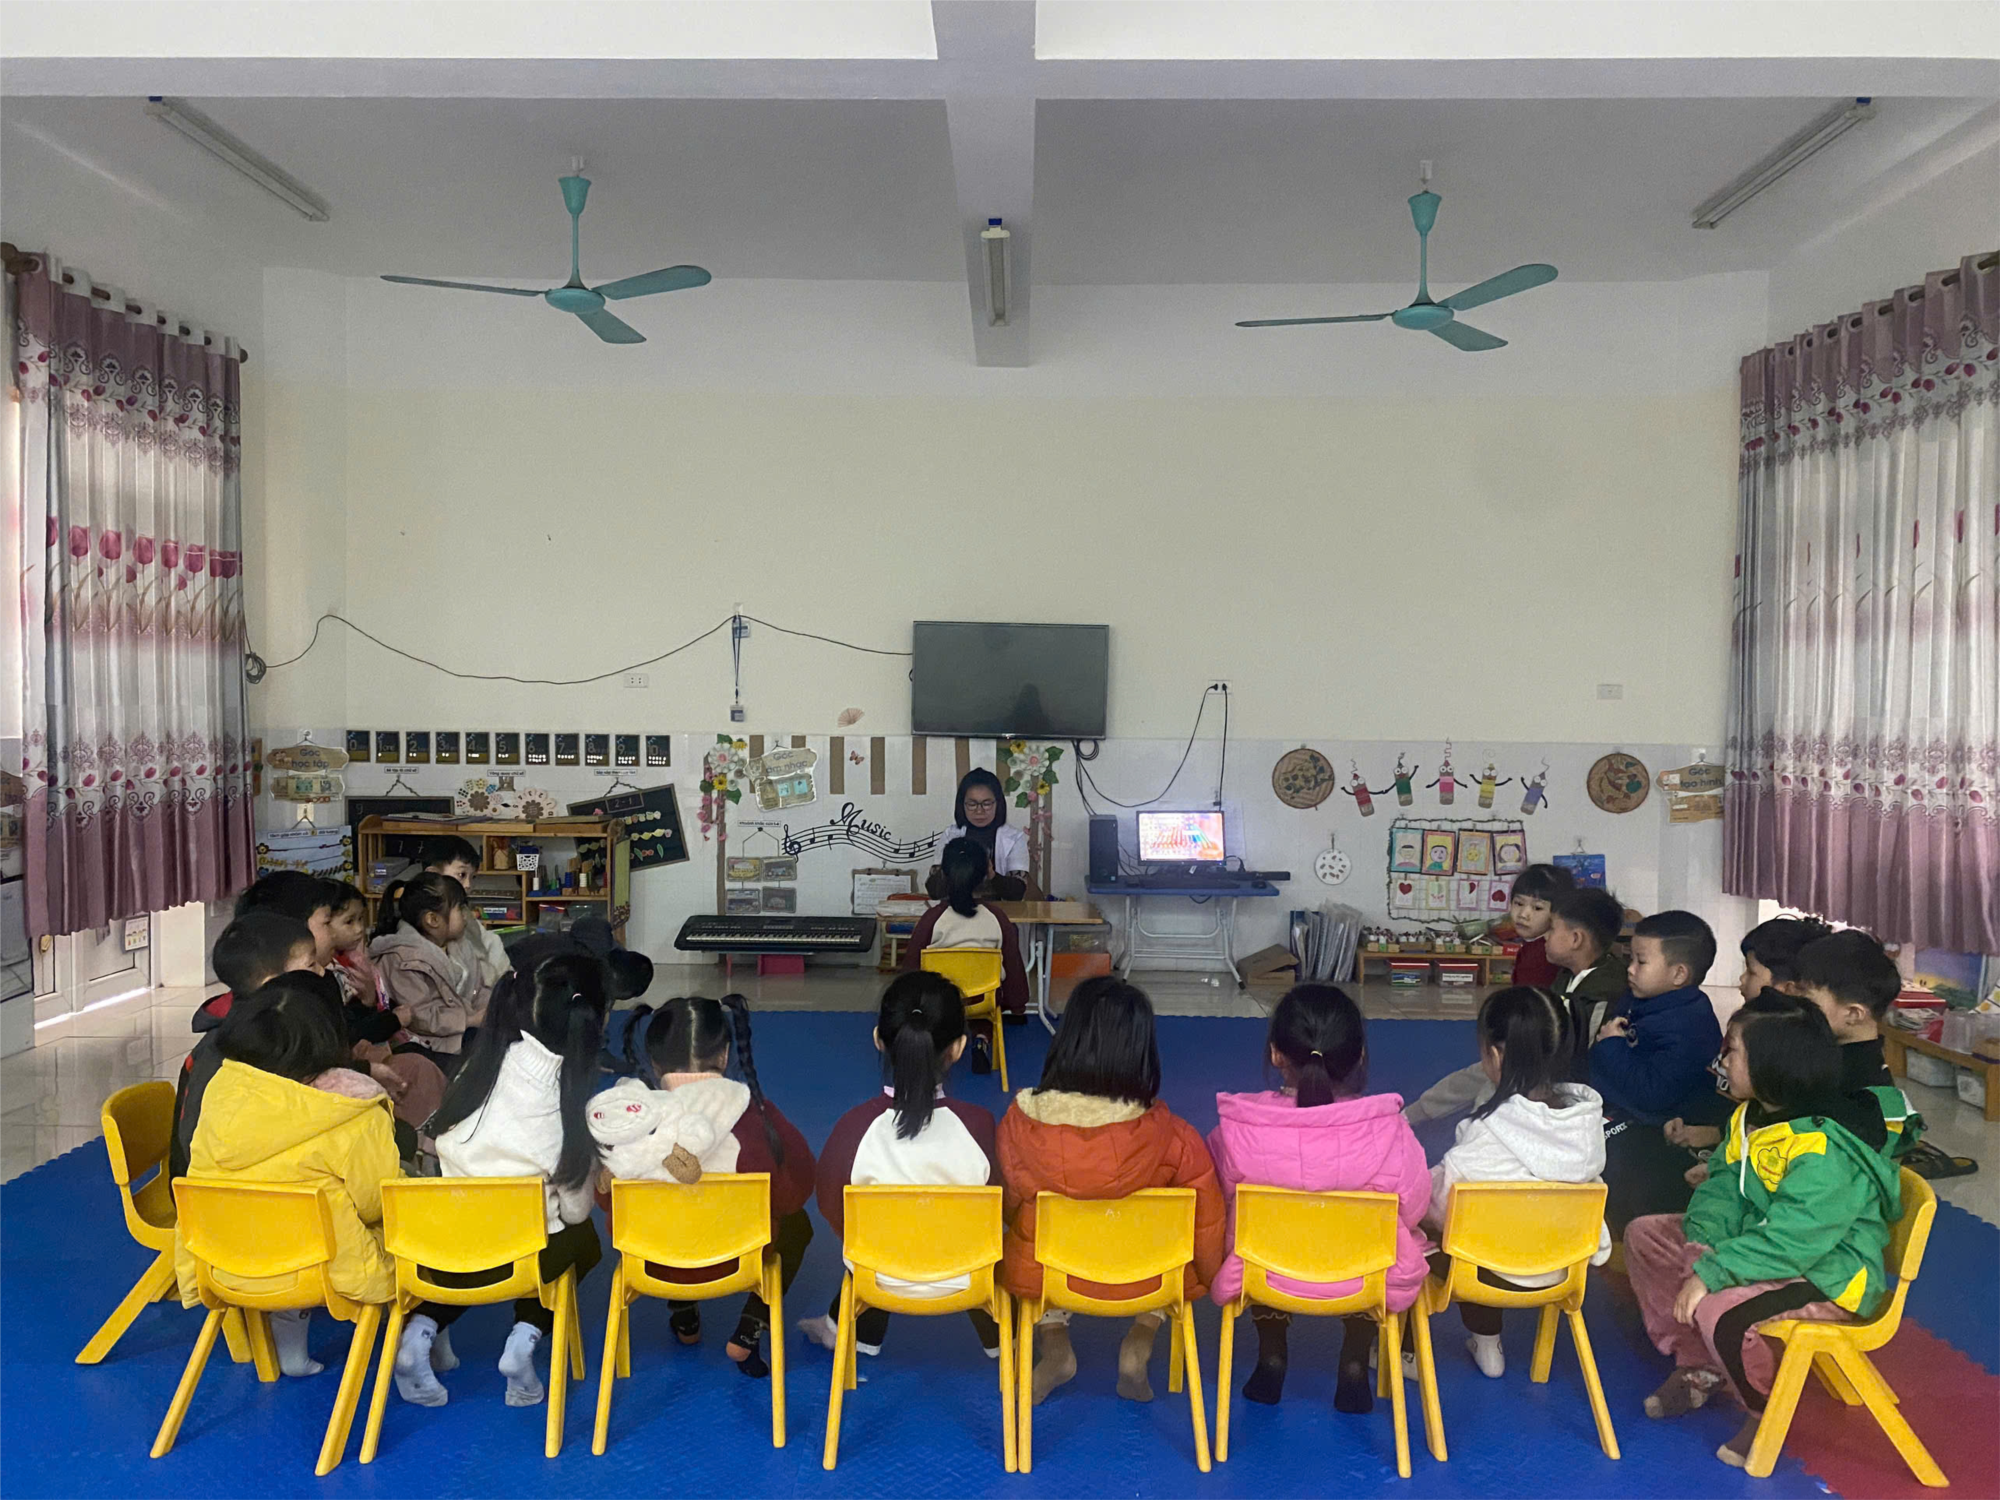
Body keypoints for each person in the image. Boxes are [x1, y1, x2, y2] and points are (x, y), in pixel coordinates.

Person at [1624, 999, 1900, 1468]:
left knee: (1723, 1312)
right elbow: (1722, 1187)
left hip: (1828, 1275)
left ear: (1771, 1066)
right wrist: (1702, 1249)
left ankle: (1765, 1410)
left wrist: (1714, 1273)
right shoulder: (1750, 1118)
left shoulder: (1824, 1146)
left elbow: (1797, 1240)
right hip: (1766, 1247)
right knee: (1646, 1235)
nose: (1721, 1062)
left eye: (1731, 1051)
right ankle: (1700, 1366)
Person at [392, 955, 609, 1410]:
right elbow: (574, 1211)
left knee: (471, 1261)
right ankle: (524, 1337)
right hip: (519, 1254)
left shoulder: (479, 1066)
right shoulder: (562, 1102)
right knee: (582, 1241)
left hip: (445, 1244)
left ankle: (419, 1330)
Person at [996, 976, 1224, 1407]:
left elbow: (1010, 1208)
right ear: (1142, 1051)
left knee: (1034, 1230)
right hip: (1147, 1278)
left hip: (1054, 1276)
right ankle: (1140, 1340)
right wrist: (1215, 1280)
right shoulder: (1177, 1138)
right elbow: (1207, 1224)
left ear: (1067, 1041)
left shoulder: (1018, 1127)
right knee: (1173, 1246)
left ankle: (1056, 1349)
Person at [1208, 983, 1430, 1413]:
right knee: (1384, 1241)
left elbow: (1216, 1198)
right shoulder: (1391, 1131)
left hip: (1264, 1274)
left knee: (1249, 1232)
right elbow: (1416, 1207)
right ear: (1359, 1056)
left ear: (1276, 1055)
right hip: (1364, 1279)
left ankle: (1272, 1353)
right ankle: (1354, 1361)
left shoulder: (1237, 1128)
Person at [176, 972, 400, 1380]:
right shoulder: (352, 1108)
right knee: (405, 1231)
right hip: (322, 1270)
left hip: (225, 1262)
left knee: (281, 1211)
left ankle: (289, 1336)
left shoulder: (221, 1092)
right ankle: (421, 1341)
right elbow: (376, 1201)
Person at [797, 971, 1002, 1361]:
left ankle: (842, 1328)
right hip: (969, 1277)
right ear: (959, 1048)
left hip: (877, 1275)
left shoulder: (855, 1127)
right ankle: (1003, 1340)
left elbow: (832, 1205)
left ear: (879, 1039)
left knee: (867, 1243)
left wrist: (886, 1242)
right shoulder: (978, 1125)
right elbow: (1002, 1204)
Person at [1425, 987, 1610, 1380]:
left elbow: (1440, 1205)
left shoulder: (1488, 1130)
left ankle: (1443, 1346)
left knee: (1424, 1226)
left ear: (1494, 1056)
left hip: (1485, 1274)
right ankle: (1490, 1344)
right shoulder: (1585, 1124)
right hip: (1562, 1269)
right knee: (1496, 1222)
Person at [635, 994, 815, 1379]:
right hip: (736, 1259)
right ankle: (750, 1329)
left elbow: (606, 1199)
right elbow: (793, 1193)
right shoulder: (756, 1115)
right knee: (799, 1226)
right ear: (725, 1054)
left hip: (653, 1259)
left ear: (654, 1063)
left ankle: (684, 1314)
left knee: (662, 1214)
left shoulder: (631, 1120)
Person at [1404, 862, 1577, 1123]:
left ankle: (1426, 1120)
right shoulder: (1532, 947)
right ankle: (1414, 1114)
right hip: (1517, 1040)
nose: (1524, 914)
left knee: (1483, 1090)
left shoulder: (1549, 954)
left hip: (1527, 1047)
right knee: (1472, 1083)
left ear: (1558, 915)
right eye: (1518, 903)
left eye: (1537, 908)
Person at [1594, 911, 1724, 1233]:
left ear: (1679, 974)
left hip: (1652, 1123)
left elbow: (1652, 1093)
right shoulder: (1645, 999)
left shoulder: (1689, 1025)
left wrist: (1612, 1047)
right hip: (1618, 1104)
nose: (1630, 969)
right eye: (1630, 959)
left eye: (1641, 961)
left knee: (1601, 1158)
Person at [171, 911, 320, 1179]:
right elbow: (197, 1147)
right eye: (311, 965)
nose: (321, 972)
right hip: (216, 1189)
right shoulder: (231, 1048)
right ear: (270, 982)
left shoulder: (278, 1028)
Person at [1795, 930, 1926, 1161]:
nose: (1796, 1005)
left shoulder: (1860, 1090)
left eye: (1807, 998)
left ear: (1854, 1014)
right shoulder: (1829, 1054)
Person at [904, 835, 1032, 1067]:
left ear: (944, 874)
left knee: (933, 995)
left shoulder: (932, 918)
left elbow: (911, 967)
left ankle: (941, 1043)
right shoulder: (998, 918)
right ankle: (981, 1038)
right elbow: (1013, 966)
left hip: (939, 1003)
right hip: (983, 1000)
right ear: (985, 875)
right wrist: (1018, 1005)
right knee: (986, 1001)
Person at [369, 873, 489, 1066]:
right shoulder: (402, 959)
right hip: (430, 1044)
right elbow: (420, 1016)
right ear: (433, 920)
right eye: (460, 908)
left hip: (465, 1030)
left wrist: (490, 1008)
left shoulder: (460, 947)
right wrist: (469, 1020)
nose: (468, 915)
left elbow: (479, 987)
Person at [1547, 886, 1629, 1078]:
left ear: (1575, 939)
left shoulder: (1605, 990)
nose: (1546, 936)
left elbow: (1583, 1058)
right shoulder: (1567, 975)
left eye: (1551, 929)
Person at [924, 768, 1038, 901]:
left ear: (998, 803)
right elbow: (934, 892)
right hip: (956, 910)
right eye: (972, 804)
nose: (979, 811)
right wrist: (949, 867)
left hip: (1000, 911)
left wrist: (991, 874)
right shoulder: (951, 835)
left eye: (987, 804)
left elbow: (1017, 893)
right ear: (962, 804)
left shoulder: (1014, 837)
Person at [420, 835, 510, 991]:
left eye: (472, 877)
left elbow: (489, 942)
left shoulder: (464, 911)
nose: (468, 885)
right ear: (433, 874)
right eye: (461, 875)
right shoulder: (424, 920)